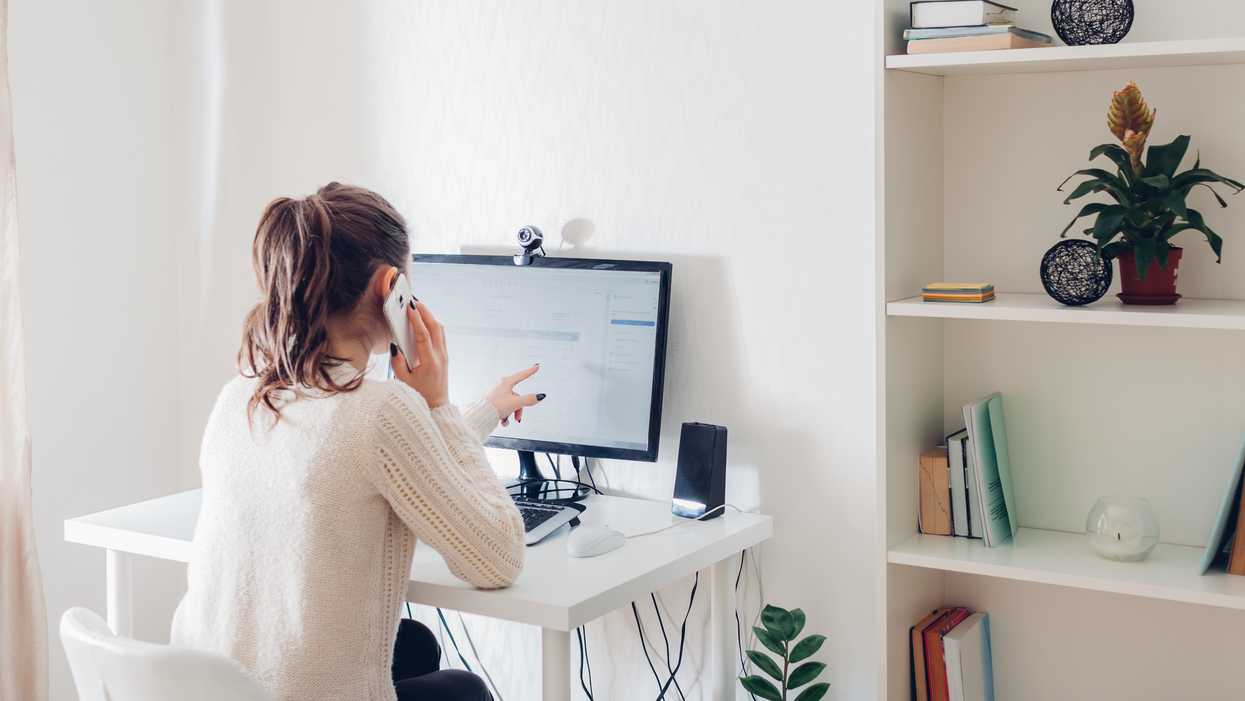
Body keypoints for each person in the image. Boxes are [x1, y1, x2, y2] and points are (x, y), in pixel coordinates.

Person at [171, 183, 539, 701]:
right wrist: (438, 406)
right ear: (392, 285)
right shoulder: (384, 410)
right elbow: (498, 559)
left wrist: (482, 413)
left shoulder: (241, 397)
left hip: (209, 687)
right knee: (464, 689)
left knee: (414, 646)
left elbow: (368, 460)